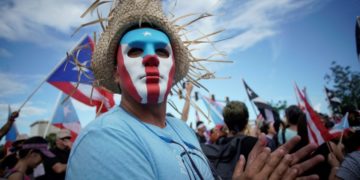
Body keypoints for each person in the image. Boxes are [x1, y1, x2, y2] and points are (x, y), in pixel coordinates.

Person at [67, 0, 325, 179]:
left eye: (161, 50)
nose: (151, 58)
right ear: (115, 71)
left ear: (172, 65)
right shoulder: (105, 140)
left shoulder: (182, 130)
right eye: (135, 50)